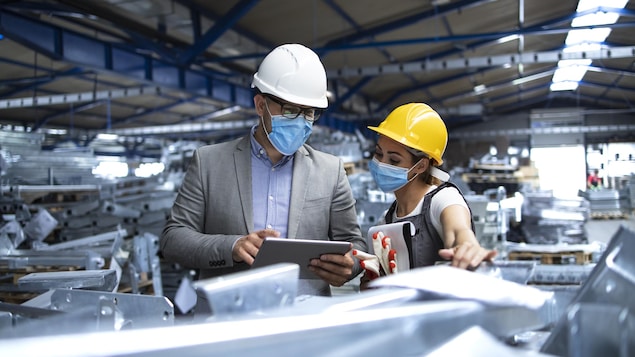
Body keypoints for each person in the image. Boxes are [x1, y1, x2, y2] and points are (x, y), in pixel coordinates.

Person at [160, 43, 366, 298]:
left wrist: (350, 266)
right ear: (261, 105)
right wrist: (232, 246)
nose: (301, 122)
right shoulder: (209, 163)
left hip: (305, 318)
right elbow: (173, 240)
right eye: (291, 111)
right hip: (228, 316)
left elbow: (355, 246)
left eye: (309, 113)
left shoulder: (330, 171)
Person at [354, 103, 496, 287]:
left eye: (394, 160)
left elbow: (458, 230)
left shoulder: (444, 200)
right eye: (379, 154)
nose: (381, 164)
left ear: (421, 166)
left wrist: (467, 246)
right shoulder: (386, 220)